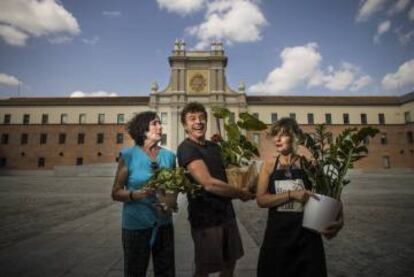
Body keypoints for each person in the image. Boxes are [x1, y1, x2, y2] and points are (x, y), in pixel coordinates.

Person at [256, 117, 344, 277]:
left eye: (283, 134)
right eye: (275, 135)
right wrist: (292, 194)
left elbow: (329, 194)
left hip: (307, 239)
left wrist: (339, 217)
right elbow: (261, 200)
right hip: (277, 238)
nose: (278, 139)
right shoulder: (269, 165)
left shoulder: (308, 165)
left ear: (295, 137)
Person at [176, 102, 255, 277]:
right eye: (192, 119)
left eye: (202, 118)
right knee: (205, 268)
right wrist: (241, 193)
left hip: (226, 213)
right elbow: (209, 183)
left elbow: (228, 174)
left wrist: (247, 181)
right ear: (184, 125)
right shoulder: (186, 148)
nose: (198, 122)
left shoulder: (214, 147)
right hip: (205, 219)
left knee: (230, 262)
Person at [111, 111, 176, 277]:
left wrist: (169, 202)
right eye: (155, 123)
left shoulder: (169, 157)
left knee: (166, 272)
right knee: (135, 272)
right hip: (136, 226)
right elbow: (116, 192)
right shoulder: (129, 156)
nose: (160, 126)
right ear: (143, 129)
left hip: (164, 225)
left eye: (160, 123)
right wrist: (135, 195)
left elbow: (173, 192)